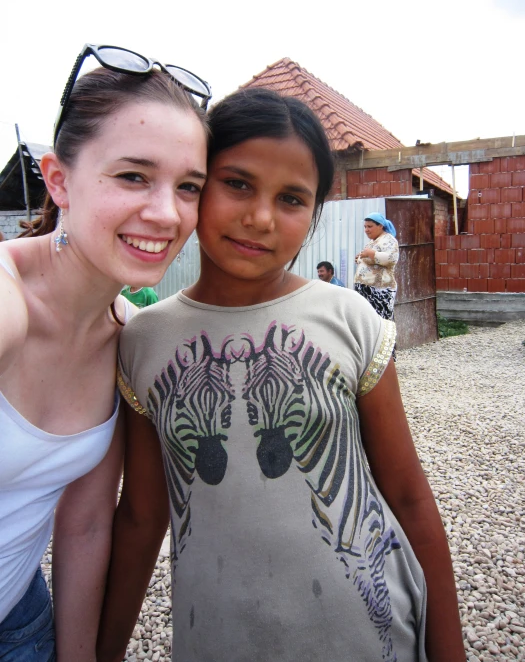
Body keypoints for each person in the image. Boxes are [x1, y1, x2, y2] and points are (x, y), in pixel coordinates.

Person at [99, 88, 464, 662]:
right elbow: (143, 516)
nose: (260, 217)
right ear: (196, 186)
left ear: (314, 213)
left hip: (368, 635)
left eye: (292, 198)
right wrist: (102, 650)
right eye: (237, 183)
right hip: (217, 635)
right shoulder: (145, 340)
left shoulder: (349, 320)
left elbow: (409, 498)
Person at [0, 43, 210, 662]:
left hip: (21, 620)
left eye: (188, 186)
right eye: (133, 175)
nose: (166, 213)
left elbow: (87, 522)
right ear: (59, 180)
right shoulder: (8, 304)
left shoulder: (129, 337)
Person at [354, 213, 399, 321]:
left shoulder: (389, 240)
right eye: (365, 227)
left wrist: (372, 254)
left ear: (380, 226)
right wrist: (359, 259)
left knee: (380, 322)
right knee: (366, 322)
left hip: (380, 290)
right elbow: (368, 260)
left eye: (370, 226)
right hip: (365, 288)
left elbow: (392, 258)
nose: (366, 230)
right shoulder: (372, 242)